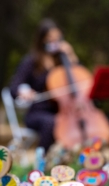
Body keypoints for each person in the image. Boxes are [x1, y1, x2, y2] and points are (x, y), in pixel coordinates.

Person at [9, 19, 78, 152]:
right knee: (52, 122)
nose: (54, 42)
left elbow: (78, 77)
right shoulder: (31, 61)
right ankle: (42, 161)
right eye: (49, 39)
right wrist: (23, 93)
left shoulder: (62, 61)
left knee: (68, 121)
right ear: (41, 40)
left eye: (57, 38)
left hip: (61, 111)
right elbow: (14, 87)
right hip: (37, 112)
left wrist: (71, 55)